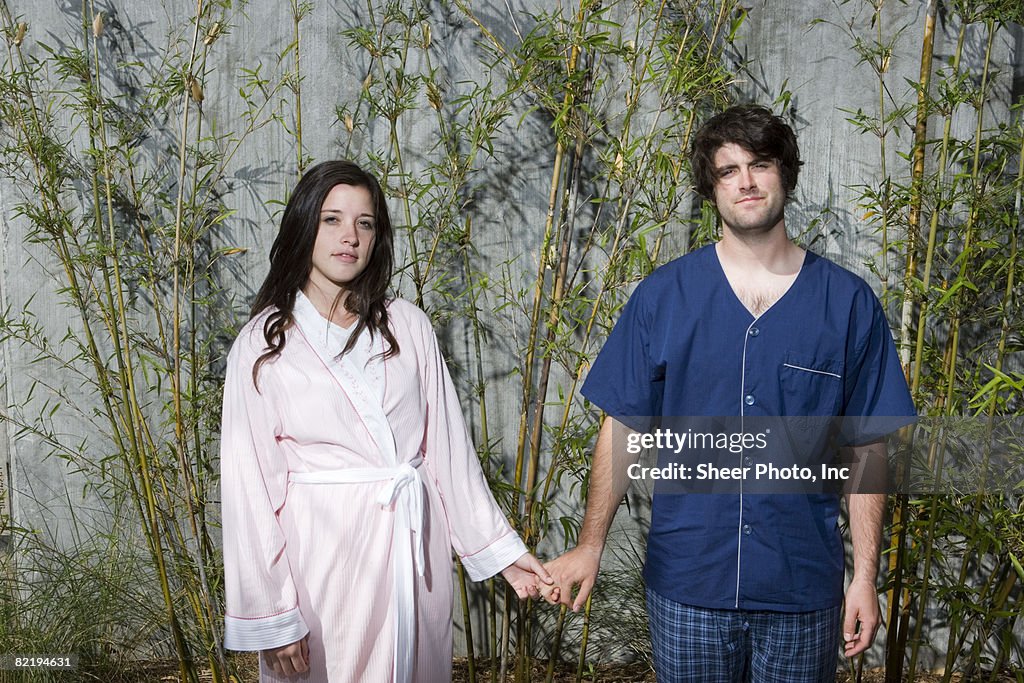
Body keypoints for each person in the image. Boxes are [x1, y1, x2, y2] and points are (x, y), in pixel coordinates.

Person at [542, 105, 915, 681]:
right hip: (690, 582)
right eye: (727, 170)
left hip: (802, 586)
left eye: (760, 164)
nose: (745, 181)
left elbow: (866, 448)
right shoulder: (663, 297)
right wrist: (591, 543)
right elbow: (623, 428)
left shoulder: (846, 305)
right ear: (710, 188)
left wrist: (863, 576)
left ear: (786, 175)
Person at [220, 160, 552, 682]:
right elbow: (249, 490)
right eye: (332, 220)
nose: (349, 236)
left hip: (409, 553)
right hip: (322, 562)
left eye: (365, 223)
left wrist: (501, 554)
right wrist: (273, 615)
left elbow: (447, 454)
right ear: (304, 226)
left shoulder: (407, 325)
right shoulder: (263, 344)